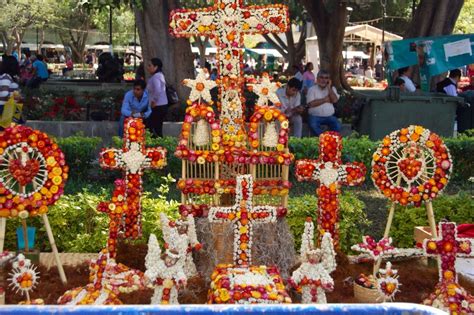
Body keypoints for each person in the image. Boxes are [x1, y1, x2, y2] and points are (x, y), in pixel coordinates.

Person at [306, 70, 341, 136]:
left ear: (329, 80)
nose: (324, 80)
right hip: (315, 116)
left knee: (338, 125)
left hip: (329, 116)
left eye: (326, 78)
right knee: (313, 125)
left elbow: (335, 100)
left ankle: (331, 139)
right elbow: (311, 104)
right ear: (317, 79)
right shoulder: (312, 89)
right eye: (321, 77)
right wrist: (325, 99)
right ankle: (324, 139)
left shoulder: (332, 89)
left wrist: (328, 87)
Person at [146, 58, 168, 137]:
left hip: (157, 106)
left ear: (156, 67)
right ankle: (158, 145)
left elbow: (158, 90)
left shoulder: (156, 77)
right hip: (161, 105)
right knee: (156, 127)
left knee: (152, 127)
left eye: (150, 65)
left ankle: (158, 145)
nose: (148, 67)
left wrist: (154, 101)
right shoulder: (160, 75)